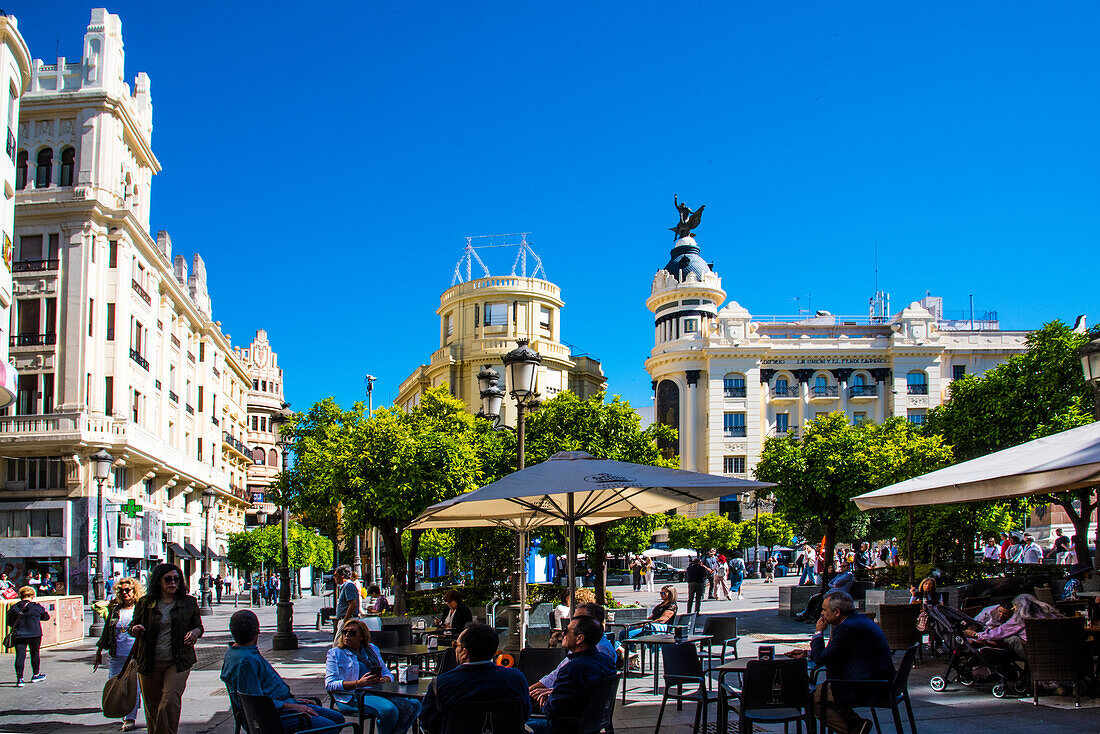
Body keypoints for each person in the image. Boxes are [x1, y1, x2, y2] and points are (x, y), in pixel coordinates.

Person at [788, 591, 893, 734]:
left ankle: (851, 730)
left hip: (869, 684)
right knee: (824, 692)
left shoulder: (847, 628)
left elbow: (820, 660)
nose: (822, 614)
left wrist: (818, 633)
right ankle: (856, 724)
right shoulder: (857, 620)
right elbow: (835, 653)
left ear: (836, 612)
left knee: (811, 699)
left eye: (825, 610)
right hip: (876, 679)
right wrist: (808, 653)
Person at [222, 610, 345, 732]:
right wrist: (290, 705)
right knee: (330, 727)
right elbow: (257, 703)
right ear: (257, 631)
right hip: (271, 718)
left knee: (337, 718)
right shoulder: (245, 661)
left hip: (281, 705)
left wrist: (292, 700)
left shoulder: (239, 652)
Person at [128, 562, 204, 734]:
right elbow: (133, 625)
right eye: (168, 579)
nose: (173, 583)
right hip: (149, 660)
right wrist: (134, 629)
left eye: (176, 579)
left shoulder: (189, 603)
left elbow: (199, 626)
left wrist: (195, 632)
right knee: (153, 707)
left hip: (178, 661)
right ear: (158, 581)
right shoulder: (145, 603)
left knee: (169, 701)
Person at [420, 622, 528, 734]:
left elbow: (427, 724)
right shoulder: (516, 679)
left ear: (464, 653)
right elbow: (524, 715)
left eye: (455, 645)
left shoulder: (440, 684)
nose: (455, 649)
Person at [325, 618, 420, 734]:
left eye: (352, 632)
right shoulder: (336, 654)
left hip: (377, 691)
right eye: (345, 632)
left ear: (361, 636)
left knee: (415, 704)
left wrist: (383, 680)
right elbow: (329, 684)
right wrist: (358, 683)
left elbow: (387, 673)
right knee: (389, 710)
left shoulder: (371, 650)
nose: (347, 635)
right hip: (352, 696)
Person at [527, 615, 615, 733]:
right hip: (591, 725)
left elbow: (552, 710)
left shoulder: (573, 668)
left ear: (579, 638)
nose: (563, 634)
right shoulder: (606, 661)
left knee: (513, 724)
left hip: (565, 727)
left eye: (566, 630)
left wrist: (547, 700)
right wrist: (554, 693)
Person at [533, 602, 618, 701]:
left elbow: (588, 690)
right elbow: (555, 675)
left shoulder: (599, 651)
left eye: (579, 619)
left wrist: (553, 693)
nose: (573, 622)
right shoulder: (578, 654)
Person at [95, 576, 144, 731]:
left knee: (133, 687)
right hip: (116, 654)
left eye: (127, 590)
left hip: (135, 654)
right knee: (115, 684)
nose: (124, 593)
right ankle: (125, 711)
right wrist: (99, 651)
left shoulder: (140, 608)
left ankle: (130, 718)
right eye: (120, 590)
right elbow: (106, 632)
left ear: (134, 591)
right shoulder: (115, 610)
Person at [963, 593, 1062, 660]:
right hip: (1057, 652)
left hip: (1036, 654)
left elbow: (998, 633)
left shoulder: (1020, 619)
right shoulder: (1050, 615)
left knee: (1012, 640)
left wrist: (976, 634)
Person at [7, 586, 49, 687]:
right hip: (34, 634)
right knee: (34, 654)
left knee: (20, 656)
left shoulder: (14, 607)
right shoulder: (36, 607)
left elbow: (9, 622)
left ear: (21, 595)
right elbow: (46, 617)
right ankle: (35, 675)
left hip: (19, 634)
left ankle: (20, 679)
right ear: (32, 596)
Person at [333, 565, 360, 644]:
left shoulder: (348, 586)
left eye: (335, 575)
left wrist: (345, 620)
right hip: (346, 619)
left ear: (342, 575)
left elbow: (353, 604)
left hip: (348, 620)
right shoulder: (345, 586)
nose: (334, 577)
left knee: (337, 645)